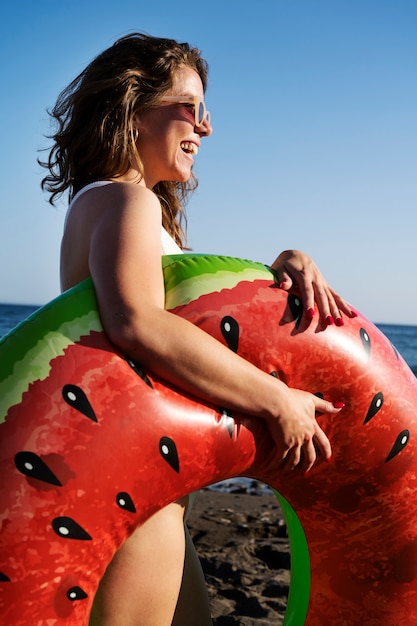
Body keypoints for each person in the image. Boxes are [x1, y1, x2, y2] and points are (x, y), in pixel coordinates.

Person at [40, 32, 356, 626]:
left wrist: (275, 272)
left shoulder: (106, 202)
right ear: (132, 109)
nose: (205, 128)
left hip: (138, 486)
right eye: (190, 107)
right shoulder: (126, 201)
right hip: (135, 492)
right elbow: (138, 322)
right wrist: (278, 401)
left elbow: (187, 314)